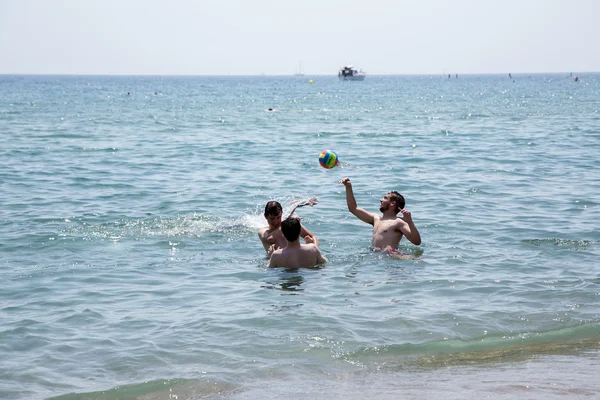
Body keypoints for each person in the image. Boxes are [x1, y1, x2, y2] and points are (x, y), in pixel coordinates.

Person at [340, 177, 421, 255]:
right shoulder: (376, 219)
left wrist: (410, 222)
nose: (381, 200)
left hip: (390, 256)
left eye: (385, 198)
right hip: (375, 254)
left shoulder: (398, 222)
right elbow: (353, 208)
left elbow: (416, 242)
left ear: (392, 203)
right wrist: (348, 187)